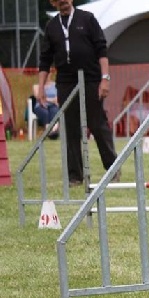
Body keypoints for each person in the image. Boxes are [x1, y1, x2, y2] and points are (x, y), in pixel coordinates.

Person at [38, 0, 119, 186]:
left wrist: (105, 78)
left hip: (91, 79)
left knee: (97, 124)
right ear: (53, 2)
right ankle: (75, 176)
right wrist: (41, 87)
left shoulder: (87, 19)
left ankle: (113, 168)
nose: (63, 2)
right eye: (58, 0)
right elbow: (45, 60)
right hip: (66, 82)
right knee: (70, 128)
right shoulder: (51, 27)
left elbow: (101, 49)